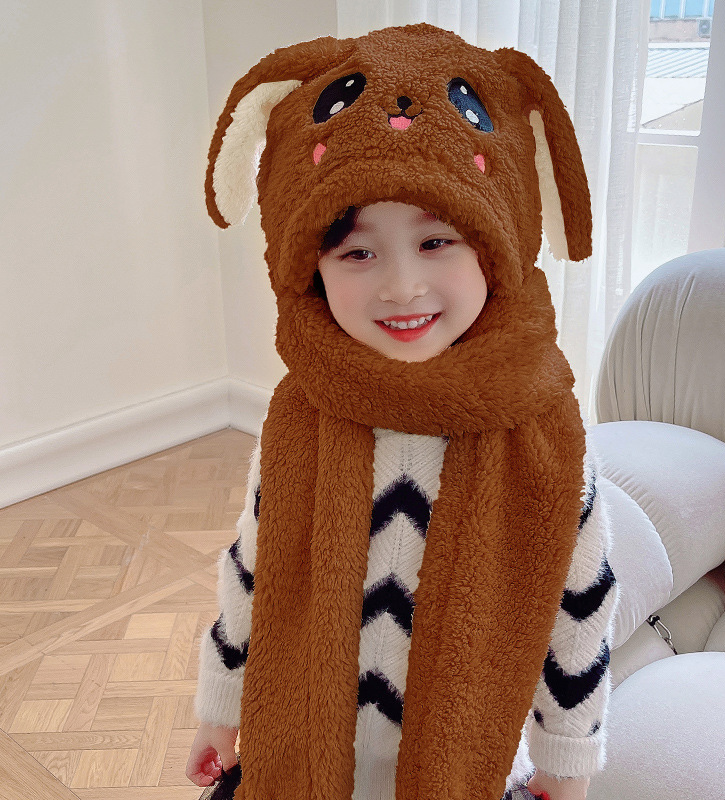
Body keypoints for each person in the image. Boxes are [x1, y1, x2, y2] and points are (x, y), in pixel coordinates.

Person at [186, 22, 617, 800]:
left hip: (470, 769)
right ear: (309, 268)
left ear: (497, 247)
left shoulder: (544, 437)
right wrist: (219, 708)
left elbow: (579, 608)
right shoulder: (304, 415)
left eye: (437, 241)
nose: (401, 287)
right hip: (303, 760)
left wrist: (566, 760)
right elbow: (251, 571)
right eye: (357, 252)